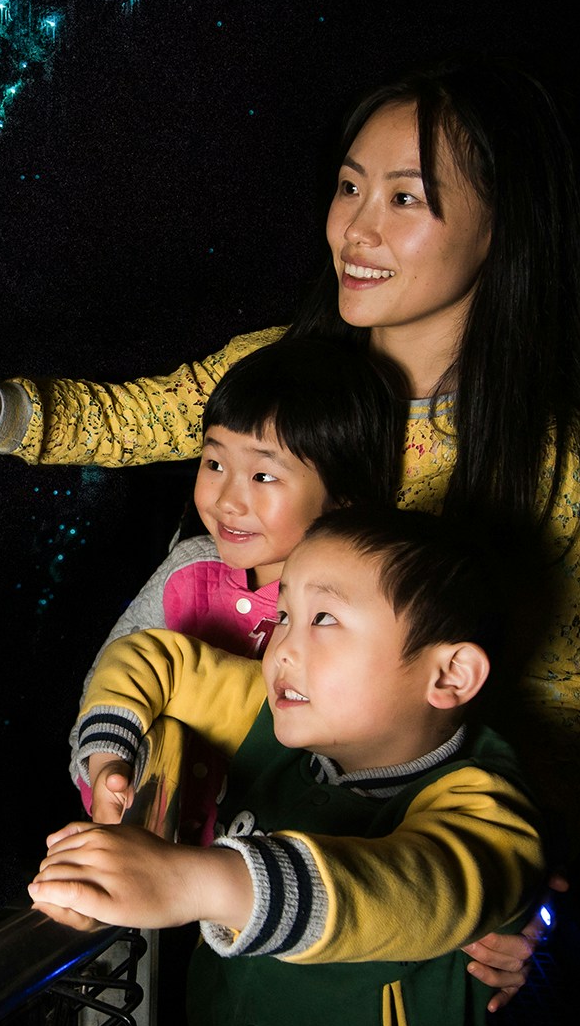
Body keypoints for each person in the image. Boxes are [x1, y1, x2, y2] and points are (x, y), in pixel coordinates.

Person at [0, 60, 580, 997]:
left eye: (406, 198)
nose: (356, 229)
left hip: (397, 852)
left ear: (506, 226)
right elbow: (130, 416)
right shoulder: (281, 368)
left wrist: (530, 879)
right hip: (222, 826)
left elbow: (566, 690)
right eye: (349, 185)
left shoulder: (546, 459)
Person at [29, 507, 543, 1026]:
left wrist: (195, 880)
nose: (279, 647)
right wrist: (111, 759)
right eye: (285, 614)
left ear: (449, 675)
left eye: (325, 619)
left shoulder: (484, 805)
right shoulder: (286, 722)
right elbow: (155, 659)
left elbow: (409, 886)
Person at [75, 335, 405, 838]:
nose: (228, 499)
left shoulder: (355, 604)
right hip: (154, 839)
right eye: (215, 464)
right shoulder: (186, 568)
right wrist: (107, 770)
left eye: (264, 476)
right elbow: (110, 673)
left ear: (345, 498)